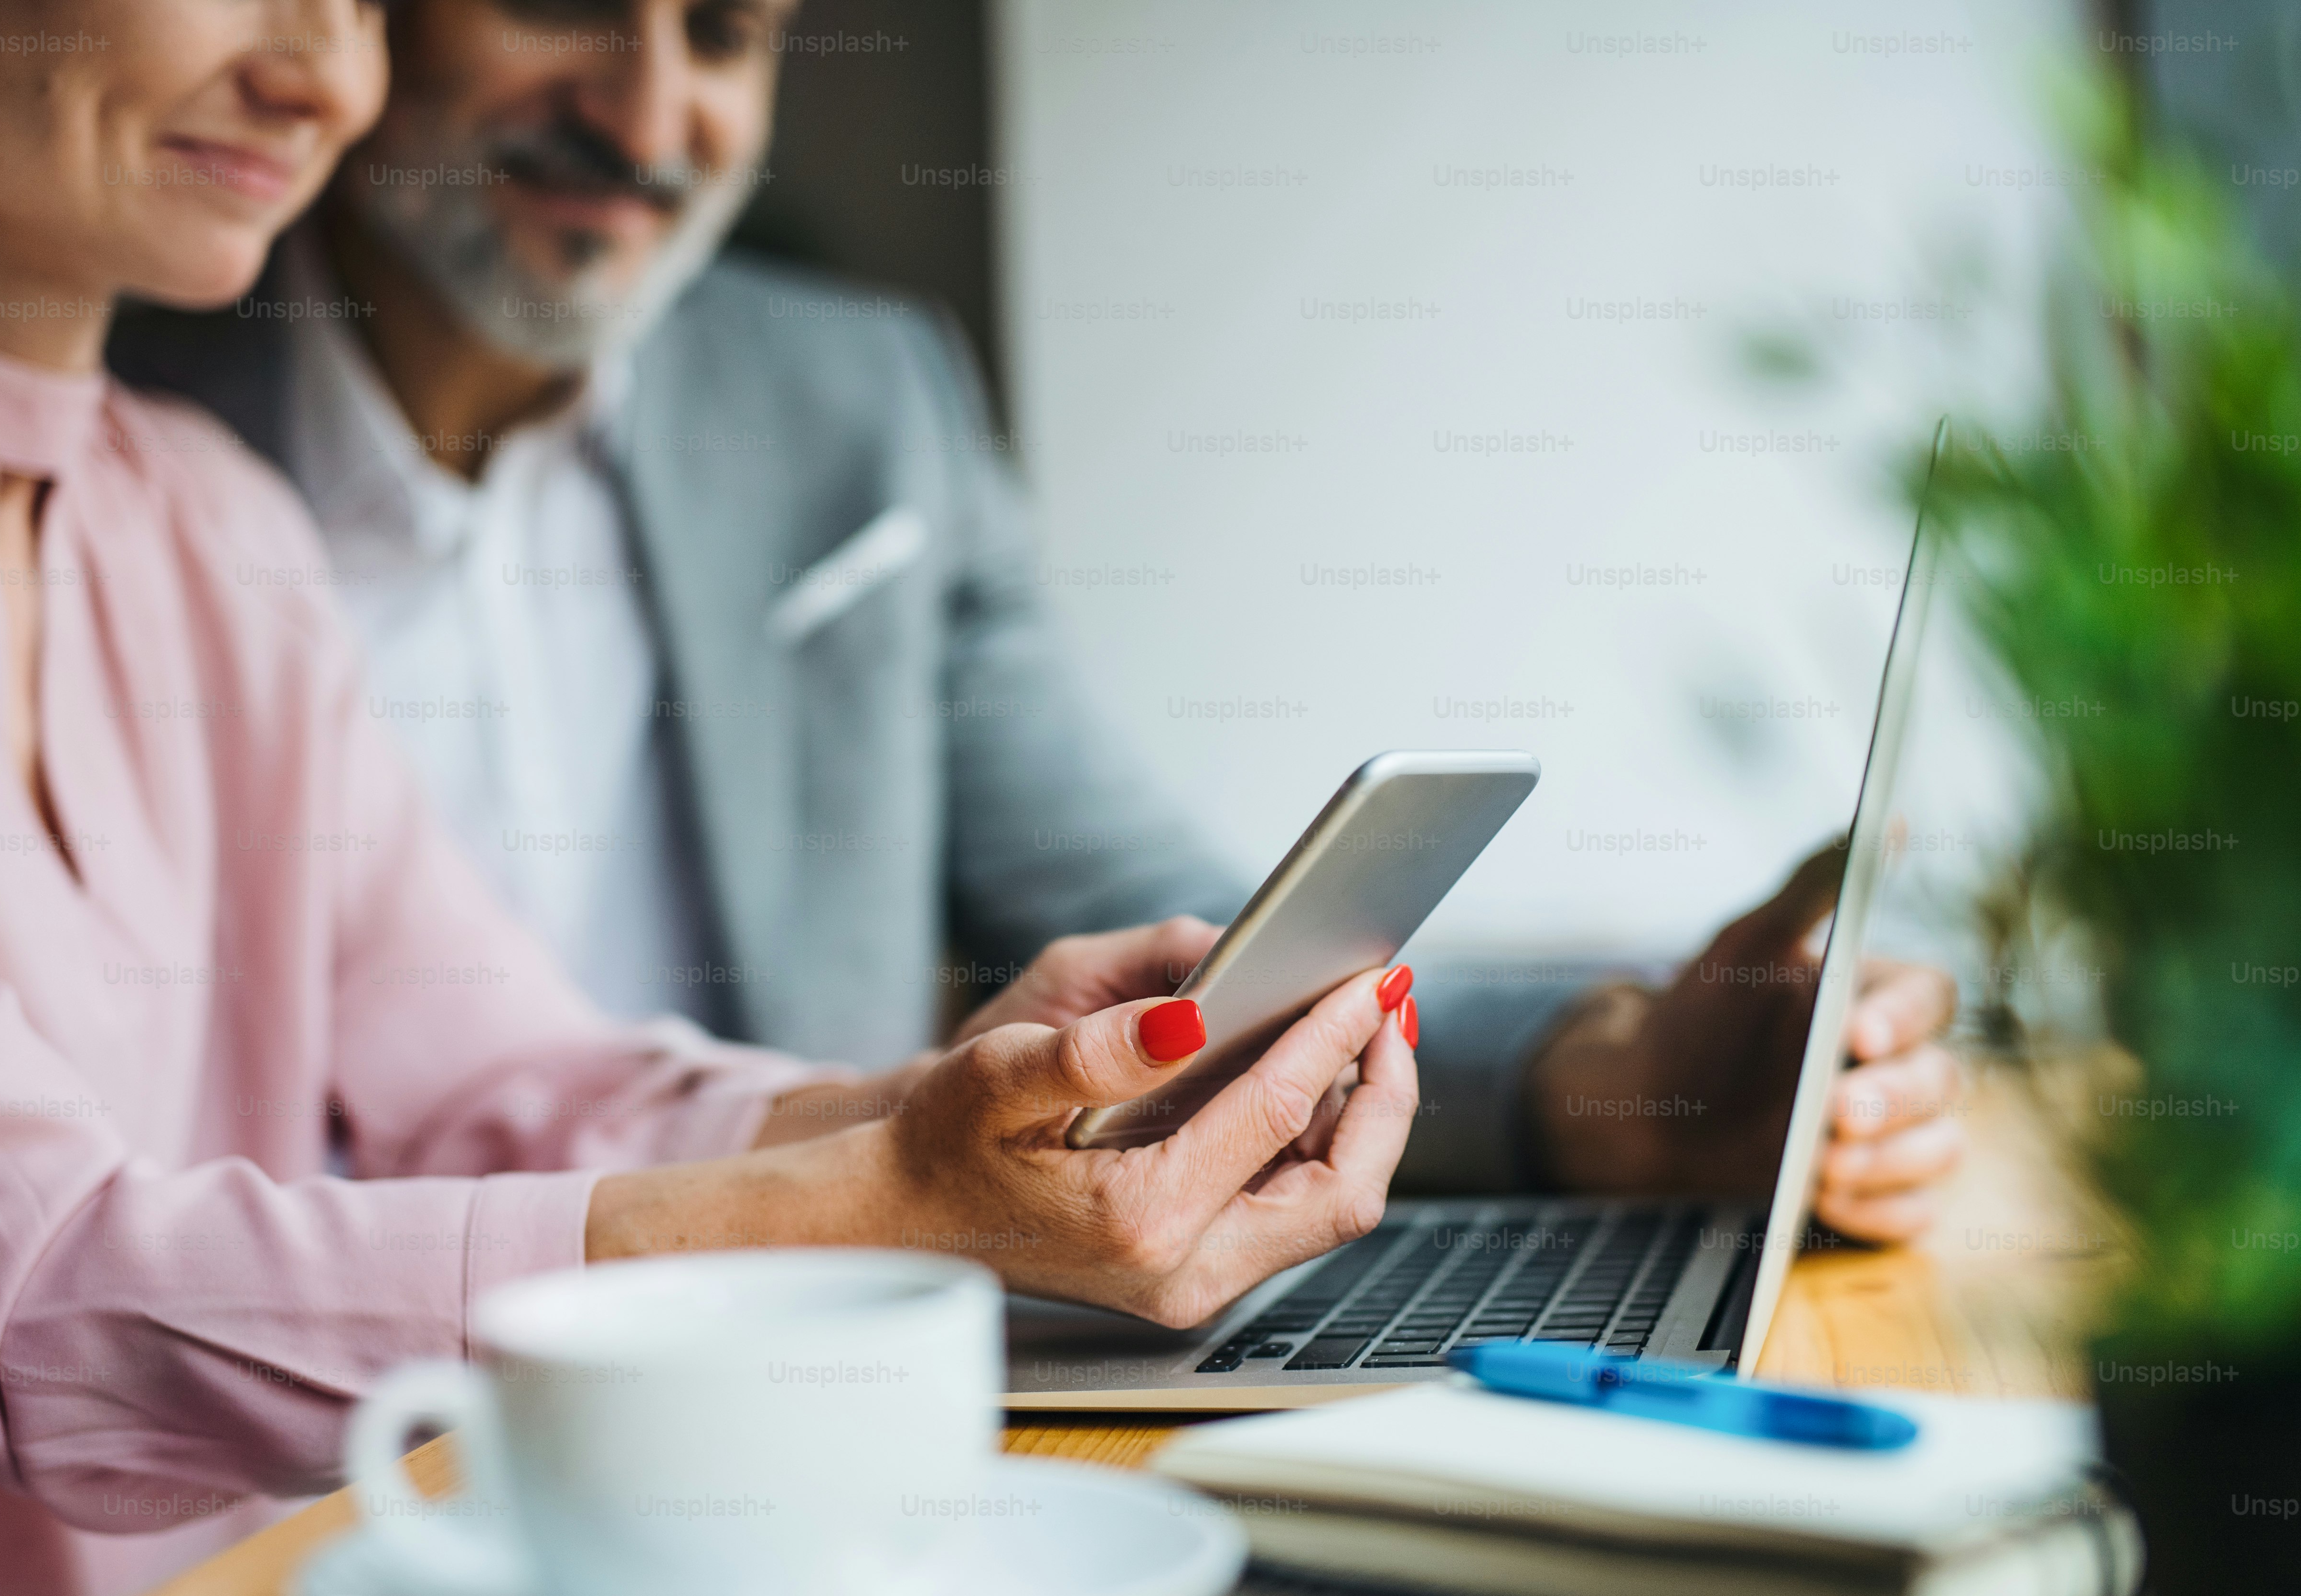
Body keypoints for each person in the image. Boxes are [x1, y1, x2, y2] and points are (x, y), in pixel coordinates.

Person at [0, 5, 1412, 1596]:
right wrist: (887, 1202)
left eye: (350, 0)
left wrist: (949, 1107)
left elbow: (514, 1088)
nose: (320, 77)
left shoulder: (203, 518)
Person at [107, 0, 1968, 1246]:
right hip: (264, 1457)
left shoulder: (855, 412)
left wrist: (1605, 1083)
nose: (653, 113)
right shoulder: (90, 411)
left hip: (809, 1406)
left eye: (729, 30)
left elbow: (1193, 950)